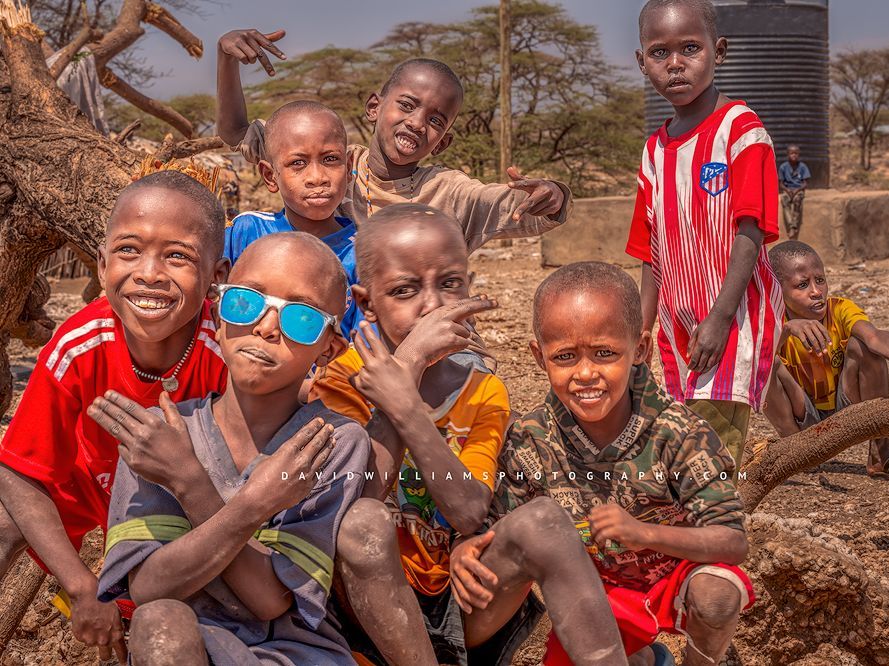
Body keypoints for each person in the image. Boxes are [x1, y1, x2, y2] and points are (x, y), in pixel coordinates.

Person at [314, 204, 627, 666]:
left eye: (450, 283)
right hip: (371, 609)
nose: (434, 305)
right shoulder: (342, 382)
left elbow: (467, 510)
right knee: (364, 524)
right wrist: (406, 371)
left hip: (463, 597)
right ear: (366, 303)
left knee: (543, 522)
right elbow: (355, 498)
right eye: (404, 290)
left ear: (469, 286)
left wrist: (405, 402)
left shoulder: (483, 389)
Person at [92, 233, 370, 664]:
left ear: (328, 350)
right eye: (246, 302)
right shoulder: (164, 437)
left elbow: (270, 601)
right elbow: (149, 589)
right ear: (218, 316)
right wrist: (252, 502)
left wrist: (189, 482)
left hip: (297, 654)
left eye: (302, 319)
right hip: (187, 648)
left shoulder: (330, 443)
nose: (266, 327)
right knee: (159, 620)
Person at [0, 171, 230, 662]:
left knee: (170, 613)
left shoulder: (228, 354)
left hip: (193, 497)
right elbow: (18, 473)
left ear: (216, 276)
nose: (149, 272)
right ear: (101, 266)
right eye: (129, 250)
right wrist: (83, 587)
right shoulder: (79, 345)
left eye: (178, 256)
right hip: (92, 483)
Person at [481, 262, 753, 666]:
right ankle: (642, 657)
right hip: (588, 595)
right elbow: (502, 531)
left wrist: (645, 533)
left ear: (640, 349)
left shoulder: (678, 432)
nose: (586, 373)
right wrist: (467, 547)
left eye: (605, 353)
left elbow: (733, 542)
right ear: (540, 357)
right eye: (565, 356)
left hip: (671, 580)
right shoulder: (530, 439)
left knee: (717, 593)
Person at [215, 28, 572, 254]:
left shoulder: (449, 193)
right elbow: (236, 133)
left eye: (435, 120)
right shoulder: (332, 162)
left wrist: (553, 194)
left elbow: (513, 204)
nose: (417, 123)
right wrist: (226, 59)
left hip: (434, 340)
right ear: (374, 106)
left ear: (442, 143)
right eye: (406, 105)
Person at [627, 0, 783, 470]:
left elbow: (750, 231)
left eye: (690, 48)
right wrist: (642, 327)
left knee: (711, 451)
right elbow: (650, 252)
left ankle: (714, 534)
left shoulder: (741, 130)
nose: (675, 64)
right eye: (659, 53)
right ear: (642, 63)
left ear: (720, 51)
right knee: (681, 441)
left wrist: (719, 317)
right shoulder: (655, 151)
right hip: (678, 326)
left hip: (732, 320)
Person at [764, 240, 889, 486]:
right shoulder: (769, 321)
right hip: (801, 419)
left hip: (845, 412)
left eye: (820, 280)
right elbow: (752, 363)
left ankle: (881, 453)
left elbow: (875, 337)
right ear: (776, 289)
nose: (816, 291)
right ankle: (794, 454)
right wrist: (787, 329)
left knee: (863, 346)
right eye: (802, 285)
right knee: (765, 364)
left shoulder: (839, 310)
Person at [222, 100, 362, 337]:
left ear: (348, 167)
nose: (317, 177)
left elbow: (361, 343)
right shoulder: (246, 231)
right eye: (298, 163)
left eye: (330, 159)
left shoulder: (361, 251)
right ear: (270, 176)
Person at [778, 145, 810, 239]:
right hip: (788, 190)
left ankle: (793, 226)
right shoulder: (783, 167)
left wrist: (797, 190)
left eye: (796, 153)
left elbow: (805, 183)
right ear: (788, 154)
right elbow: (781, 183)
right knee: (784, 200)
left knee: (797, 200)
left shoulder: (802, 166)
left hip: (798, 190)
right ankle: (791, 224)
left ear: (798, 154)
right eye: (792, 153)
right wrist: (787, 190)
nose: (794, 155)